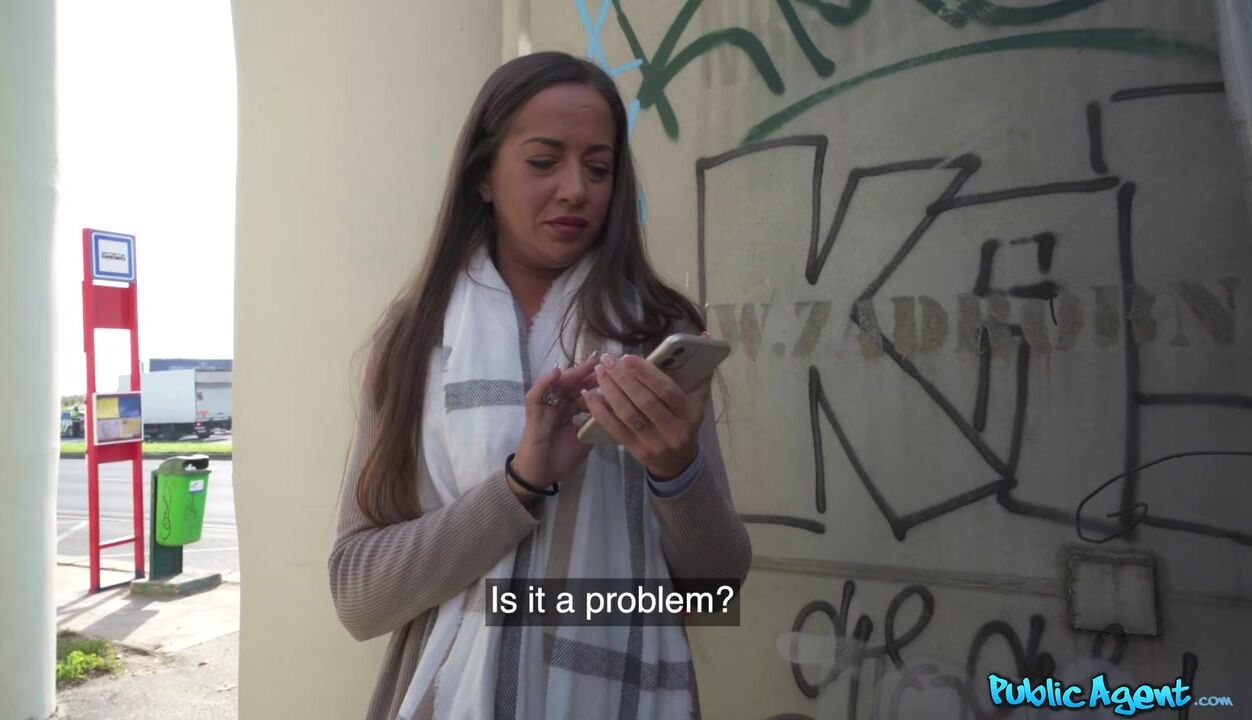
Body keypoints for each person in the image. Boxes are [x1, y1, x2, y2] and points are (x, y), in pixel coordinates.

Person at [329, 51, 751, 720]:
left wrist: (676, 471)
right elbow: (358, 598)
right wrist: (519, 484)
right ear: (483, 177)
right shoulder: (415, 341)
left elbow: (714, 594)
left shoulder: (655, 333)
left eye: (598, 168)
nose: (576, 190)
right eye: (543, 161)